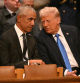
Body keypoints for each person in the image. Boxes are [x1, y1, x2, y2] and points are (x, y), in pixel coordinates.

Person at [37, 7, 80, 76]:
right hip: (62, 74)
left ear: (58, 20)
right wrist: (65, 73)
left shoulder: (73, 31)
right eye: (43, 22)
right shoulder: (42, 38)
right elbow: (47, 62)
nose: (45, 25)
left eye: (48, 21)